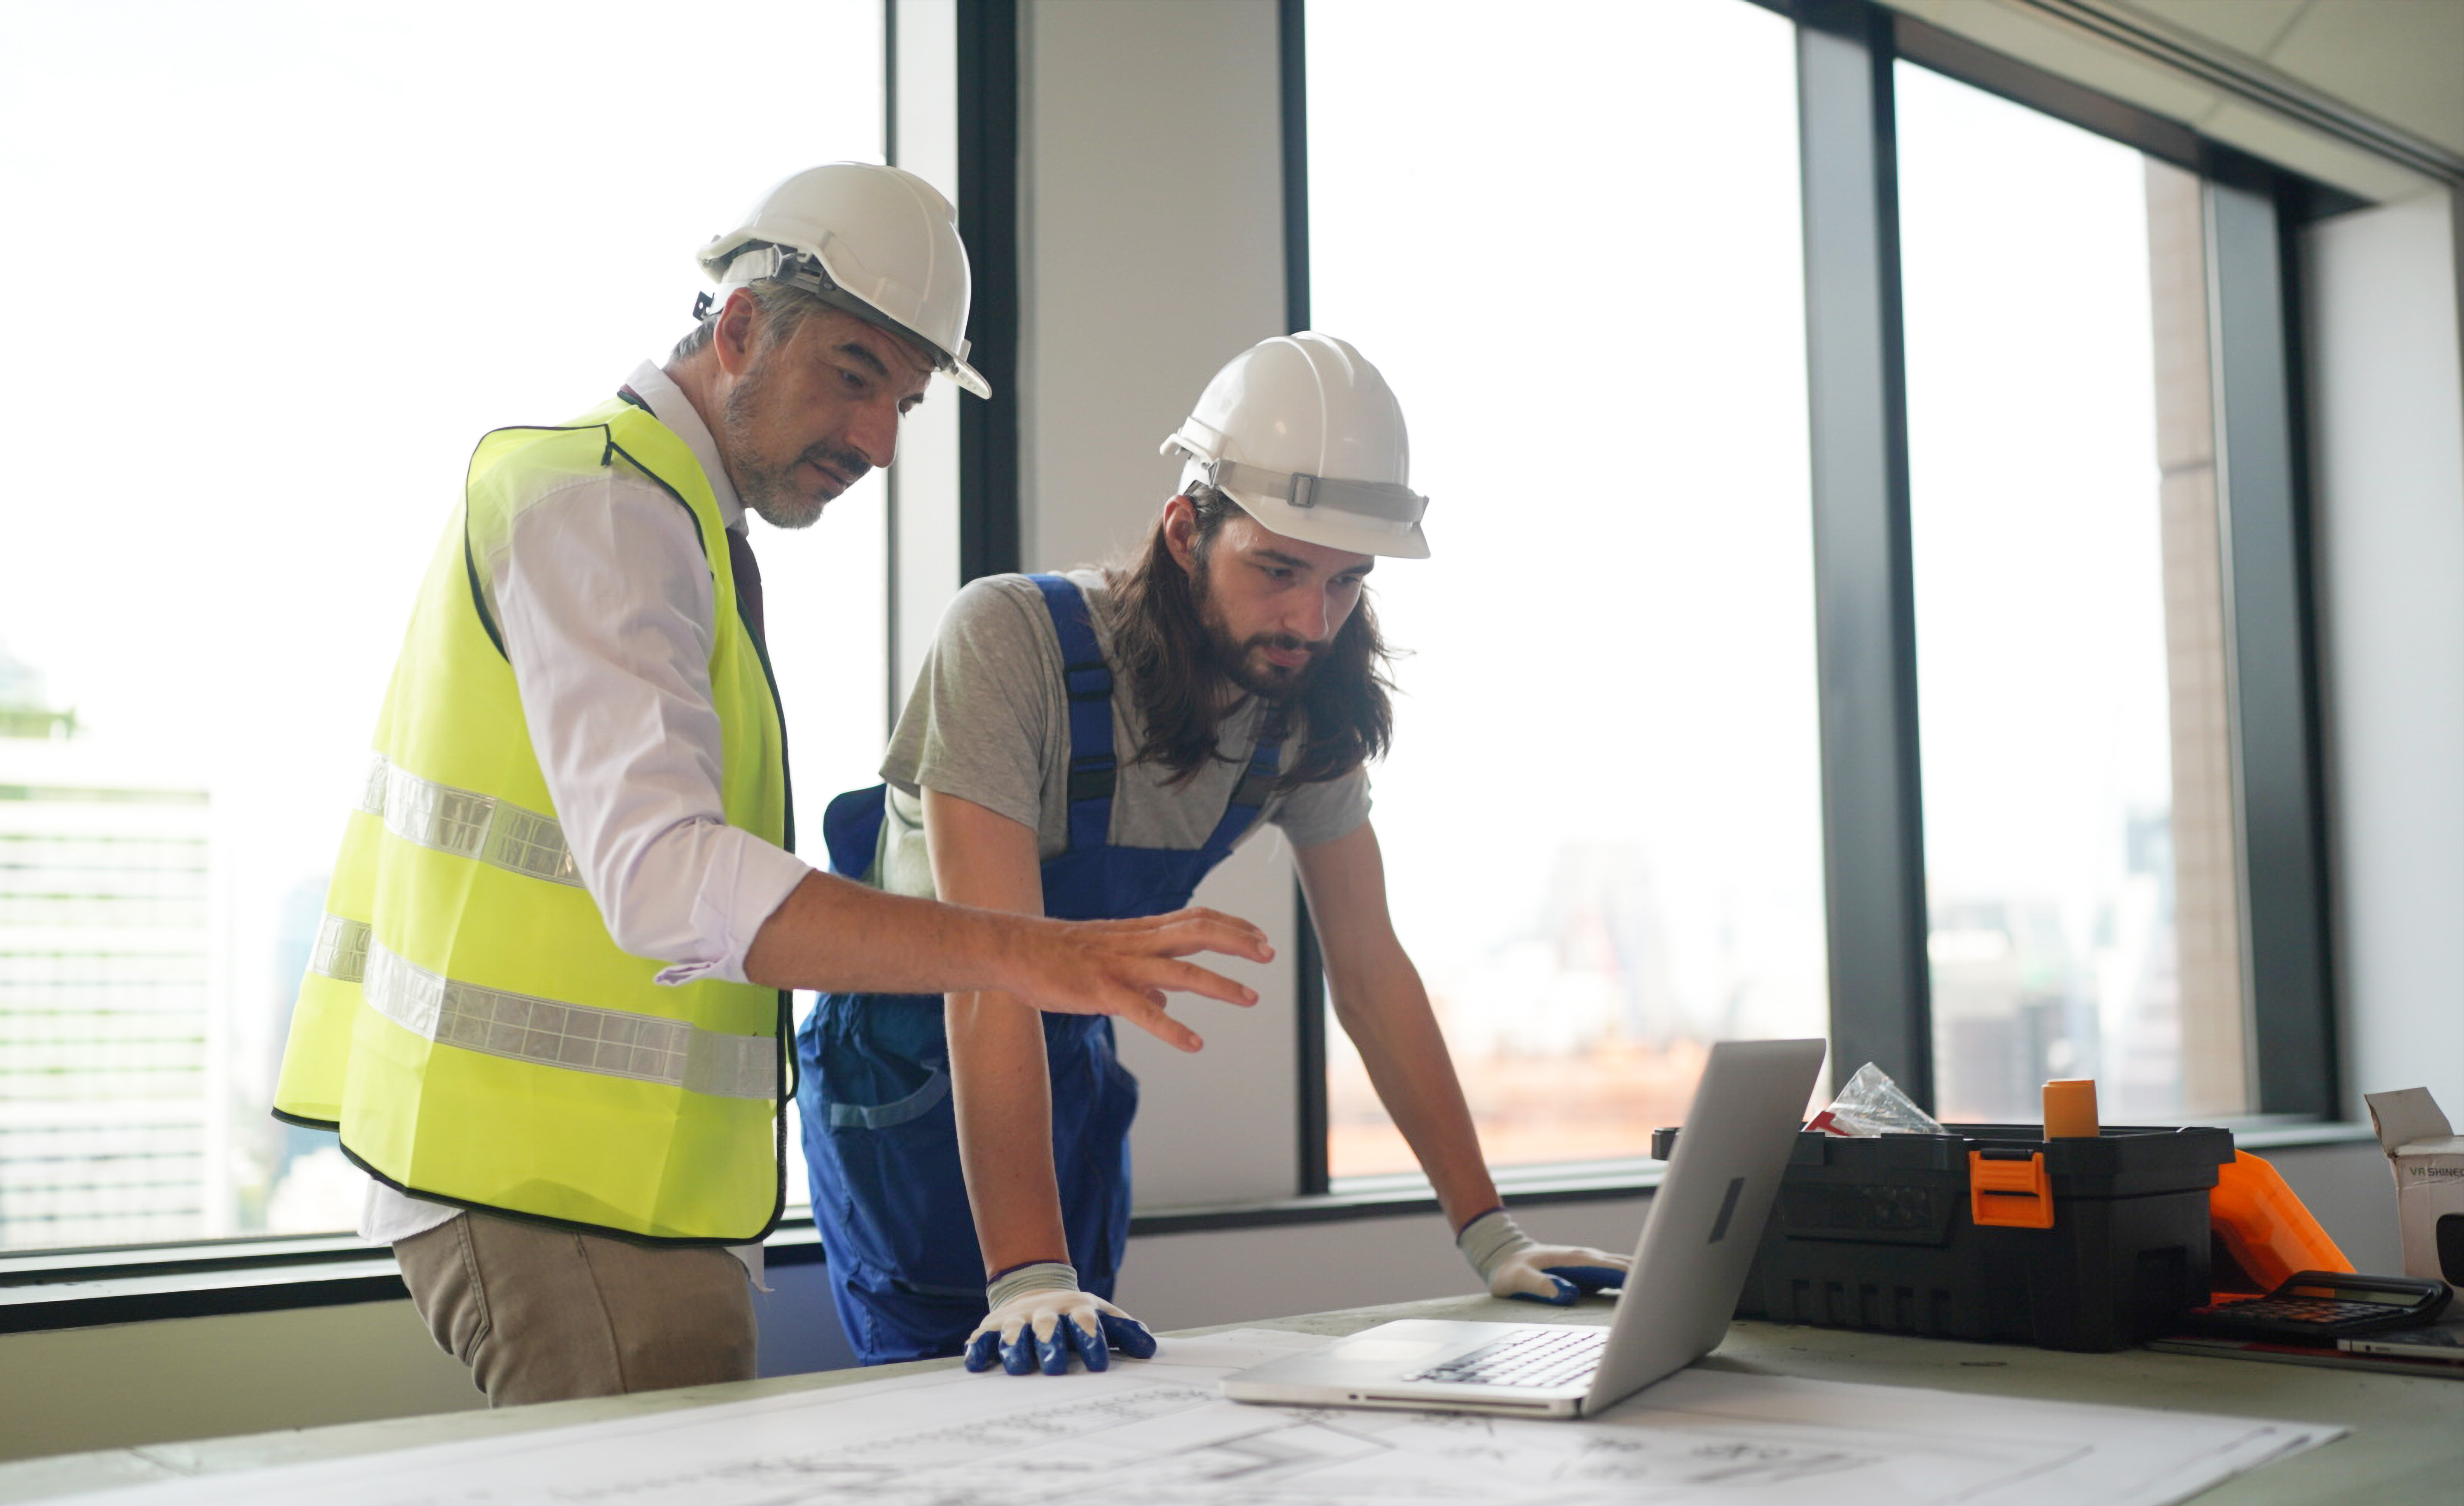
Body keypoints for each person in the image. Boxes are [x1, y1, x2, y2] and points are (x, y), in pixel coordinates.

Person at [271, 165, 1270, 1408]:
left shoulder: (681, 522)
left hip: (610, 1193)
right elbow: (665, 879)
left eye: (903, 401)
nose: (877, 442)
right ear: (739, 327)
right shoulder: (603, 505)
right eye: (853, 377)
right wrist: (1022, 954)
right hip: (552, 1193)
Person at [797, 332, 1634, 1374]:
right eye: (1277, 569)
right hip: (915, 1086)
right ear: (1187, 530)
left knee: (1082, 1428)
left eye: (1343, 585)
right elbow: (990, 974)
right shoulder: (1010, 642)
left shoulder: (1301, 708)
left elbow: (1372, 974)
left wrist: (1492, 1236)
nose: (1308, 621)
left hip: (1066, 1084)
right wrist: (1026, 1274)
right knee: (945, 1417)